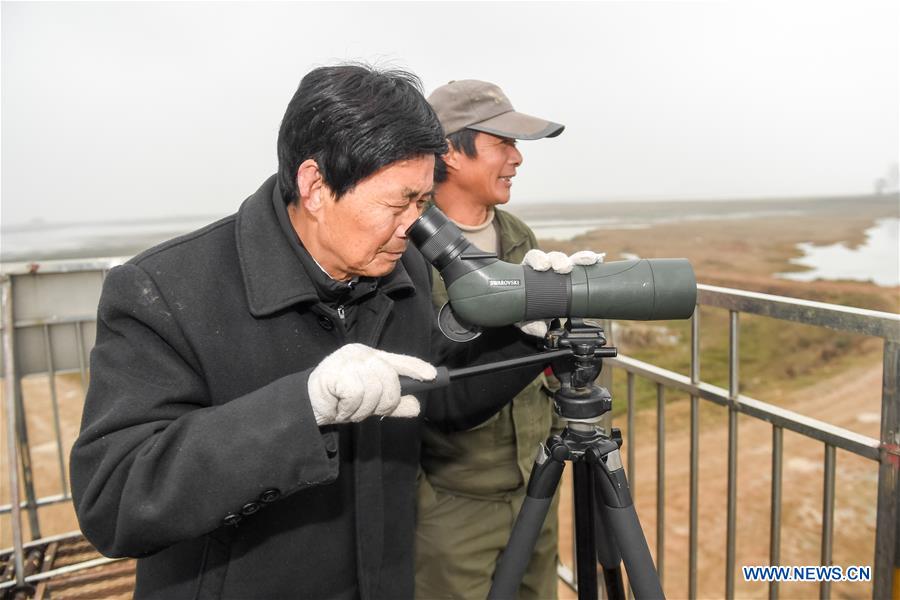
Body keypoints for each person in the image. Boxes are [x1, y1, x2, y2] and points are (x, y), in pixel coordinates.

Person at [69, 65, 553, 600]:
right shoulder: (163, 291)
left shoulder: (402, 266)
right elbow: (114, 499)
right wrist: (302, 409)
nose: (411, 226)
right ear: (316, 185)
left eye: (421, 203)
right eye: (397, 204)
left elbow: (438, 395)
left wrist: (524, 333)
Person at [415, 80, 602, 600]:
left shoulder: (518, 237)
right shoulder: (408, 248)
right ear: (450, 151)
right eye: (503, 143)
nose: (517, 158)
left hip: (536, 487)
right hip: (452, 505)